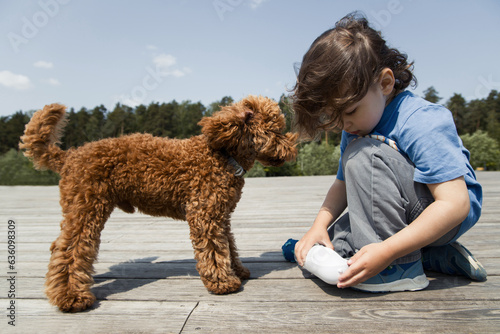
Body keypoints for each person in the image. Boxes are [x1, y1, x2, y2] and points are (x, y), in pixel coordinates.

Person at [289, 13, 486, 292]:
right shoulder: (355, 127)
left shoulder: (422, 120)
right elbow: (343, 185)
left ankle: (400, 267)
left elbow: (455, 205)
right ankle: (429, 254)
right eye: (334, 117)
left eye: (349, 111)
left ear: (385, 83)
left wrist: (388, 252)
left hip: (444, 215)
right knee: (334, 238)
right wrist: (318, 226)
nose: (344, 125)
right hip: (403, 210)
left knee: (363, 156)